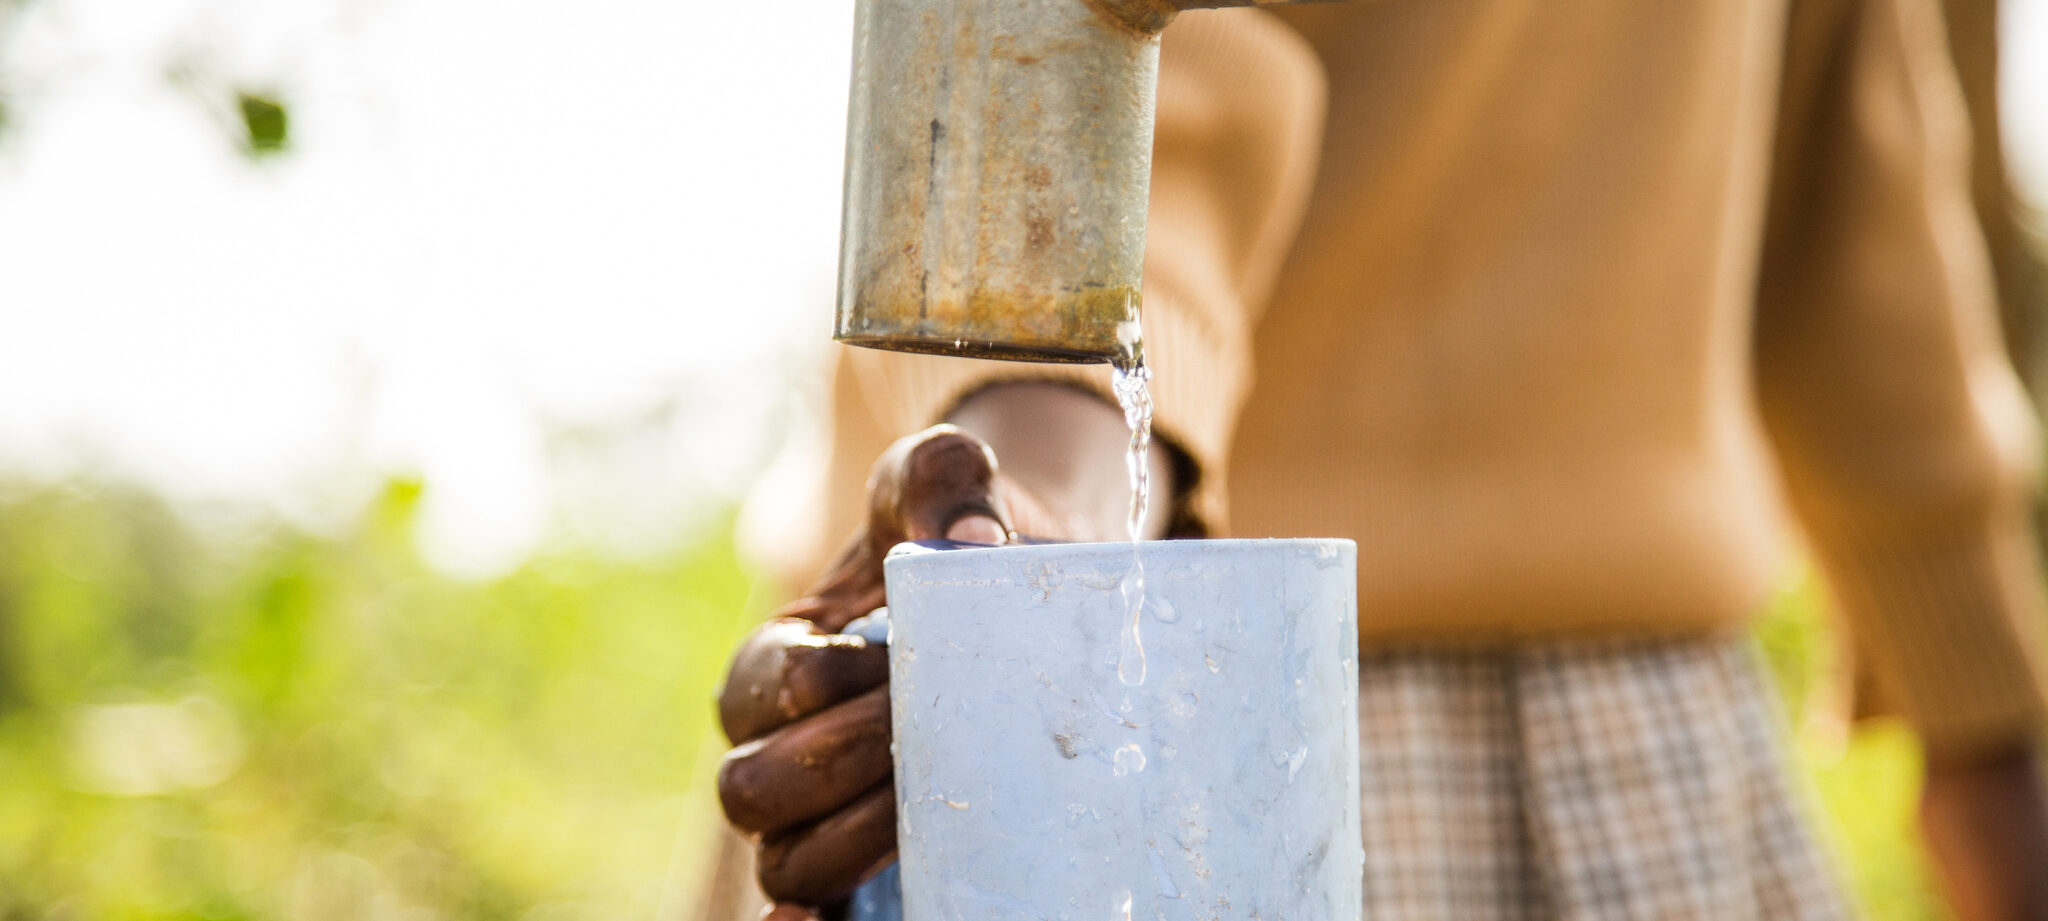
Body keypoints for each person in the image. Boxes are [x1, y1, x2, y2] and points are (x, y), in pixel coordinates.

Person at [710, 0, 2048, 918]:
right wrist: (1039, 486)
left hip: (1606, 740)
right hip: (1169, 682)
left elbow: (1853, 187)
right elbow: (1101, 73)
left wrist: (1986, 715)